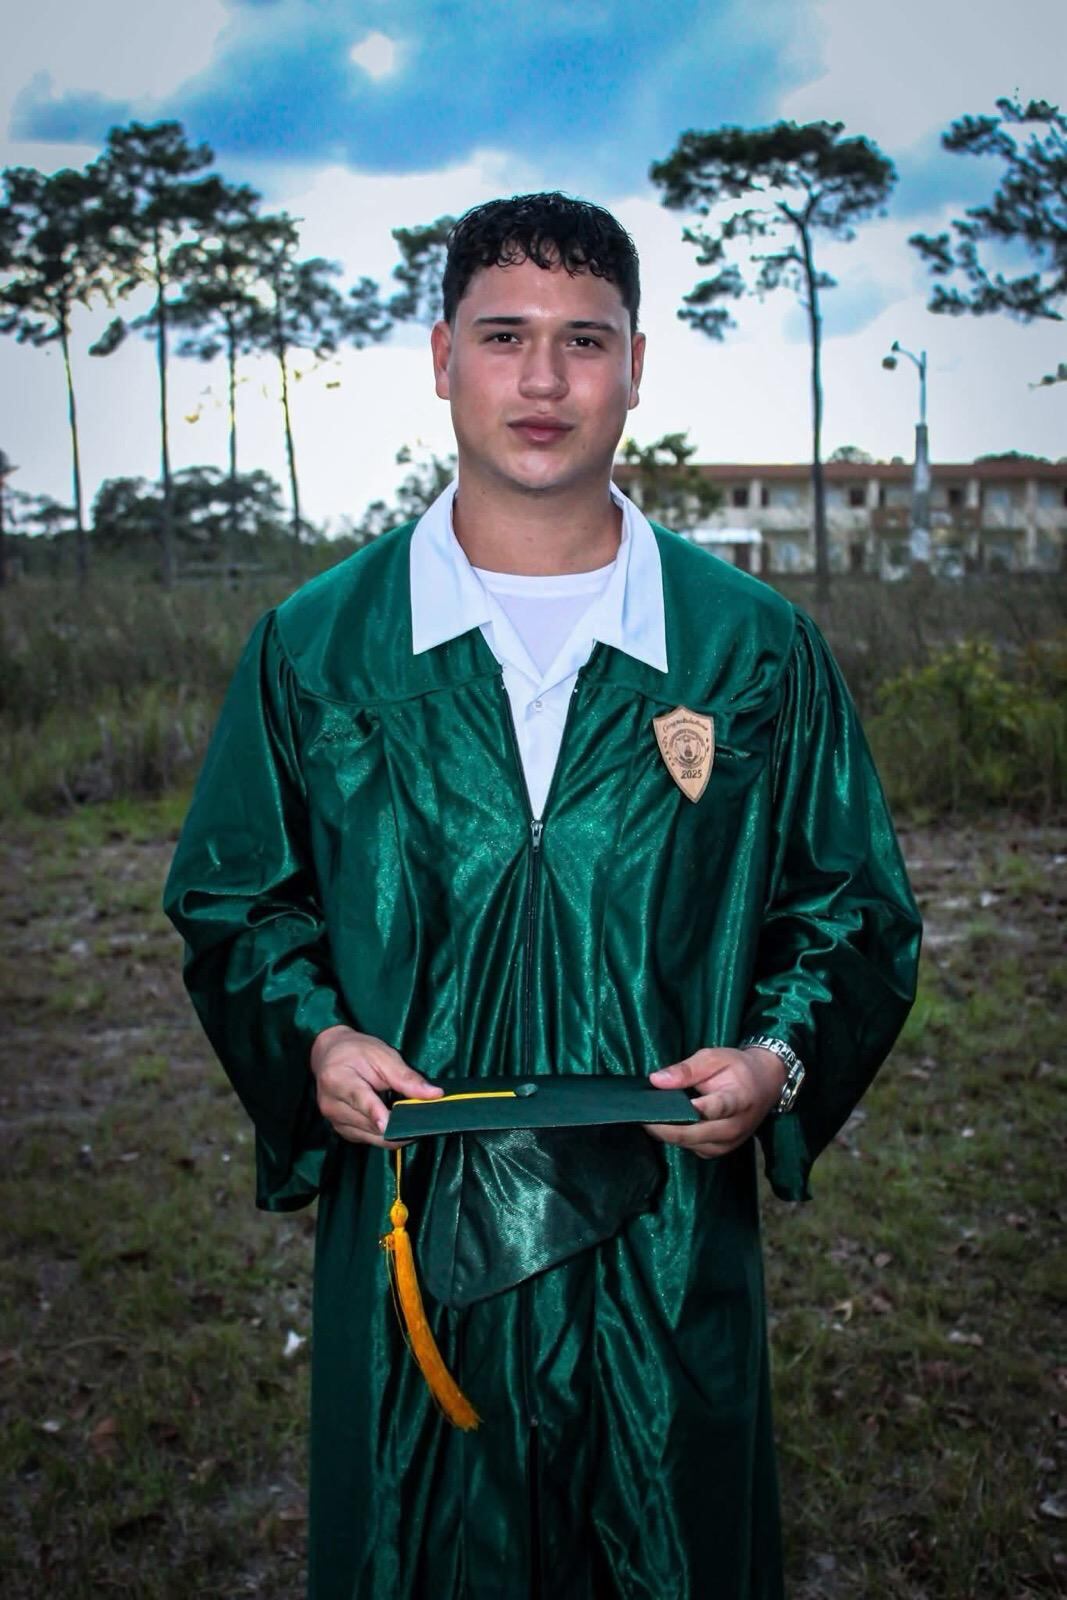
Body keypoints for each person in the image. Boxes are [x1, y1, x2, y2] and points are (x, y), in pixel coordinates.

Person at [164, 191, 921, 1600]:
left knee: (670, 1547)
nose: (544, 379)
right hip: (413, 1242)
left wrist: (775, 1059)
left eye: (586, 340)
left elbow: (852, 915)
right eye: (506, 335)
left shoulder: (749, 651)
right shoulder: (318, 648)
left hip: (666, 1238)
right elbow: (237, 903)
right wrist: (318, 1038)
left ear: (637, 366)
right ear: (442, 354)